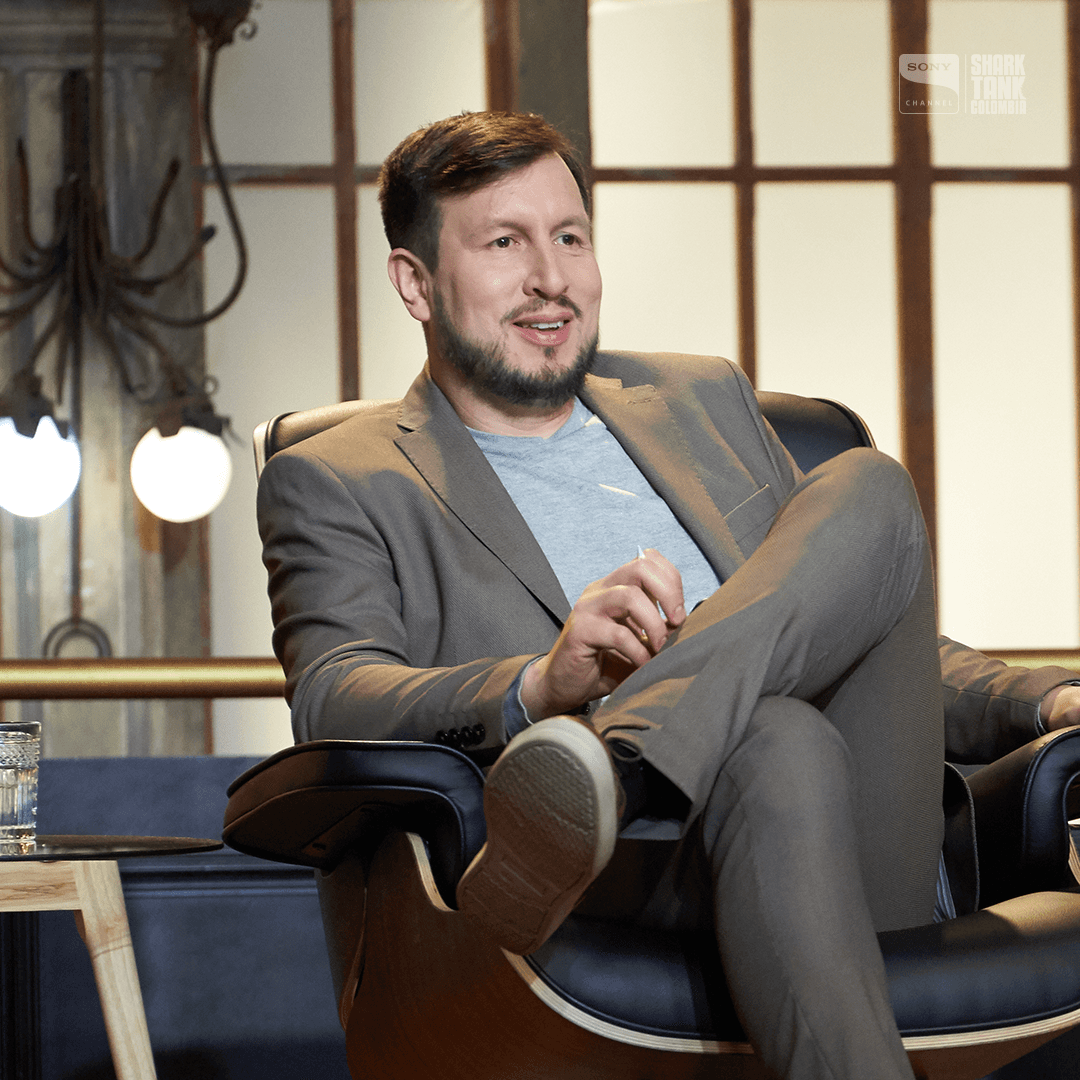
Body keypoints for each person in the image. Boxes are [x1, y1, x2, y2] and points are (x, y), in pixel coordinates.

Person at [257, 111, 1080, 1079]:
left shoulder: (705, 402)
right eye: (505, 243)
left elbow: (862, 643)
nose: (551, 278)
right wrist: (540, 685)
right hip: (604, 881)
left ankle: (622, 761)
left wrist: (1046, 699)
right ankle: (617, 781)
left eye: (570, 236)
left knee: (871, 487)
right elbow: (334, 697)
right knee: (777, 738)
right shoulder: (337, 478)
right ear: (416, 282)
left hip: (851, 842)